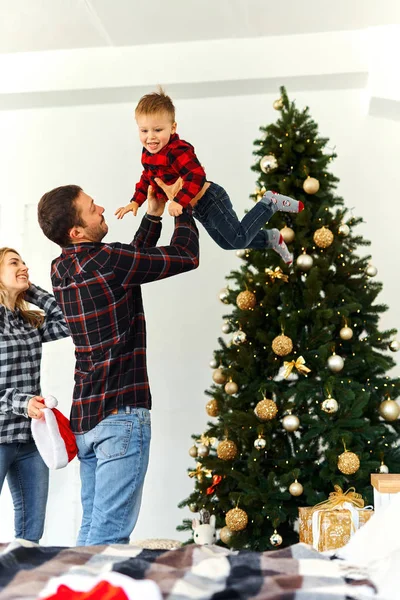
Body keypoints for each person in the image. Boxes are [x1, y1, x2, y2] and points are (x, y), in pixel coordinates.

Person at [37, 180, 199, 546]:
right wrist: (181, 206)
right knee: (108, 538)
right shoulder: (110, 262)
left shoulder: (61, 268)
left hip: (87, 421)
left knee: (92, 530)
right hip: (121, 418)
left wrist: (153, 216)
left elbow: (128, 268)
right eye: (92, 207)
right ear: (76, 231)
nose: (103, 209)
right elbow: (186, 256)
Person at [115, 89, 304, 264]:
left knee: (238, 237)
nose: (151, 137)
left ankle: (270, 202)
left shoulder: (177, 150)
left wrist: (179, 201)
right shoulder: (148, 154)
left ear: (172, 128)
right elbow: (147, 178)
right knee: (227, 243)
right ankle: (271, 238)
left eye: (158, 130)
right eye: (144, 130)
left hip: (211, 199)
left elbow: (196, 176)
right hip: (198, 209)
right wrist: (135, 201)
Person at [0, 247, 69, 543]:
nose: (24, 266)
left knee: (31, 535)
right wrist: (22, 402)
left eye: (25, 261)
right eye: (14, 262)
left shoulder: (28, 323)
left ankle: (19, 587)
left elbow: (69, 321)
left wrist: (30, 290)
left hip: (30, 440)